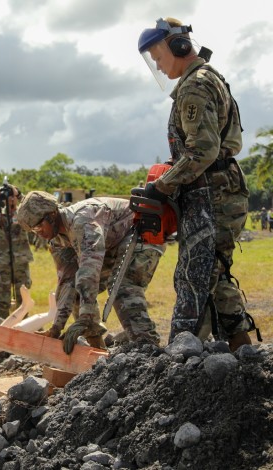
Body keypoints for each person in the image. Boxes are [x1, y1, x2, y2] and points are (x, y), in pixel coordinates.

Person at [138, 17, 255, 350]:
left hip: (212, 194)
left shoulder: (195, 85)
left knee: (196, 275)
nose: (158, 68)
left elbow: (202, 150)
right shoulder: (205, 79)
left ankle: (185, 356)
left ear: (177, 46)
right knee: (213, 275)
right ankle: (241, 351)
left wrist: (161, 186)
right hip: (217, 189)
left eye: (158, 57)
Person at [17, 191, 163, 353]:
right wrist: (56, 327)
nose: (39, 233)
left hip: (142, 232)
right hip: (113, 245)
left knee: (121, 287)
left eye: (38, 226)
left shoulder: (83, 221)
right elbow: (67, 282)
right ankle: (98, 351)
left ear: (52, 215)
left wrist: (85, 317)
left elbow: (89, 271)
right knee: (77, 295)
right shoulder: (57, 240)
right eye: (33, 230)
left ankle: (147, 348)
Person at [0, 184, 33, 318]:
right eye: (8, 197)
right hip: (3, 262)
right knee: (2, 298)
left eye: (13, 197)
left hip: (20, 262)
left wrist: (19, 194)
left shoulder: (23, 215)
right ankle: (2, 326)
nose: (11, 199)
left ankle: (23, 326)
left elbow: (33, 210)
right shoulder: (0, 216)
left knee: (22, 297)